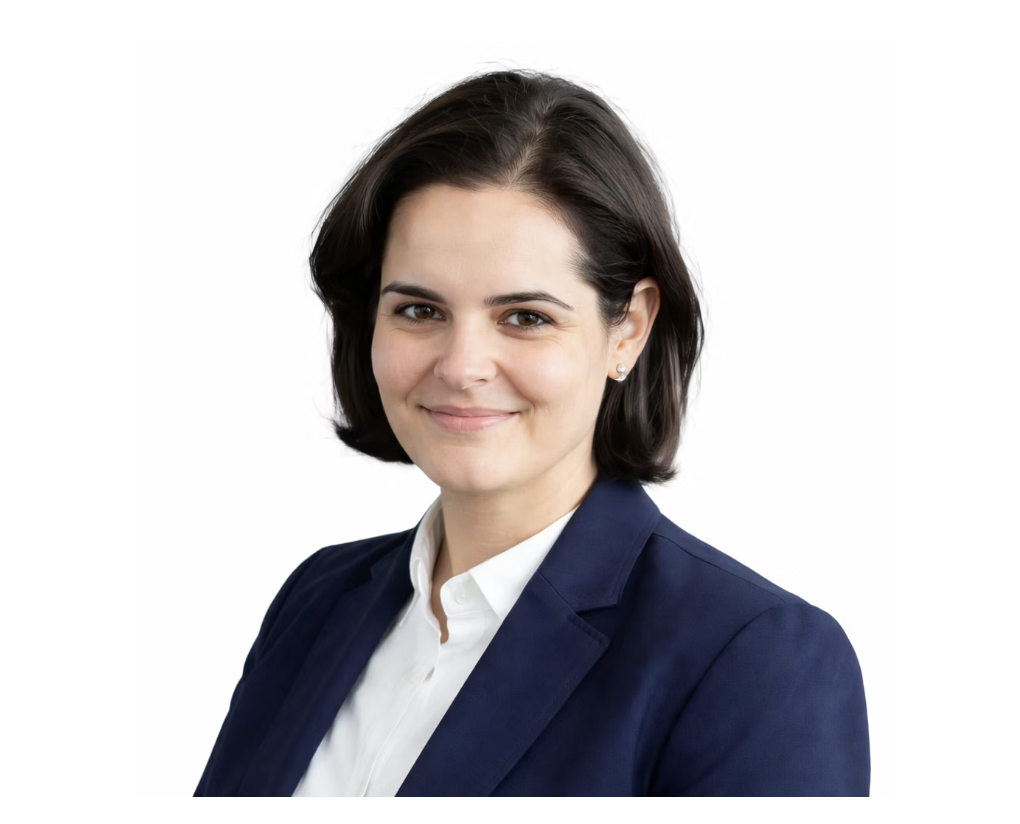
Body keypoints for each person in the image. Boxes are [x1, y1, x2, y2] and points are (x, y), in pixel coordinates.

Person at [194, 69, 870, 797]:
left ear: (628, 330)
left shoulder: (751, 658)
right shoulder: (317, 601)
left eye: (526, 317)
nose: (461, 367)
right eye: (419, 311)